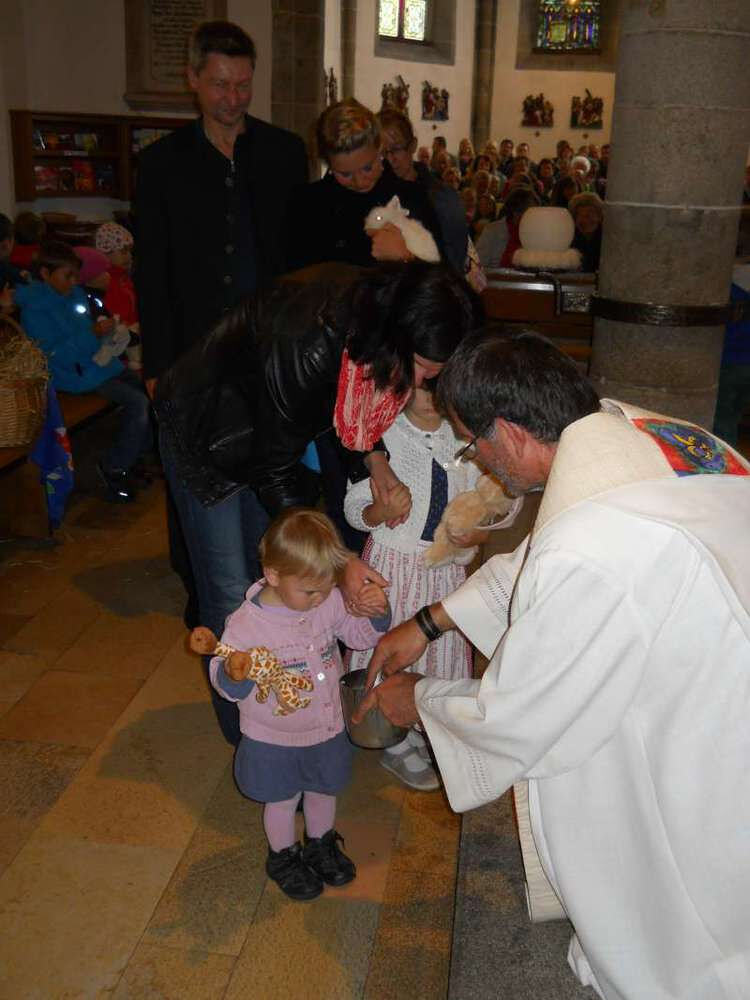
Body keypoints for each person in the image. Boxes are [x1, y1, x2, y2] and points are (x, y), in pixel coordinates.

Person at [356, 329, 750, 1000]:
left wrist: (416, 700)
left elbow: (519, 713)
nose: (477, 461)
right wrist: (429, 622)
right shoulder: (638, 433)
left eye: (471, 443)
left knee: (680, 865)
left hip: (711, 714)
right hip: (706, 639)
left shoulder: (592, 548)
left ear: (510, 434)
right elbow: (547, 552)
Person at [155, 260, 482, 746]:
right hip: (207, 431)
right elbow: (273, 468)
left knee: (277, 572)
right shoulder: (311, 340)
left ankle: (289, 705)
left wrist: (374, 460)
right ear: (399, 336)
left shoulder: (374, 326)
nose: (422, 384)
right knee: (230, 589)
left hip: (267, 429)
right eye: (423, 369)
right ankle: (254, 741)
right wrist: (340, 560)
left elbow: (347, 416)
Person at [135, 20, 308, 624]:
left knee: (267, 511)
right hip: (194, 363)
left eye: (242, 85)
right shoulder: (161, 164)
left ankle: (270, 629)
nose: (232, 98)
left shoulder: (284, 152)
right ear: (193, 80)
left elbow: (300, 259)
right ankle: (220, 619)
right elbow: (152, 271)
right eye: (219, 84)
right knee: (204, 505)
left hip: (269, 362)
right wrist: (157, 366)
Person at [209, 507, 391, 901]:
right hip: (274, 738)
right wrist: (234, 674)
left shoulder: (324, 601)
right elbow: (225, 683)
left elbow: (358, 637)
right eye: (309, 591)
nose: (319, 599)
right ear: (273, 575)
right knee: (282, 798)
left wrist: (377, 613)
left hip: (326, 728)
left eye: (326, 588)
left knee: (324, 789)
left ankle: (320, 844)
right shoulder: (246, 625)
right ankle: (283, 855)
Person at [344, 386, 491, 791]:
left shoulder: (463, 436)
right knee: (392, 647)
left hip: (443, 569)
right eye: (422, 384)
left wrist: (478, 532)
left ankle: (426, 721)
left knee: (438, 650)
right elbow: (354, 506)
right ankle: (391, 735)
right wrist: (380, 510)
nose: (430, 395)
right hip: (395, 566)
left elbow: (487, 500)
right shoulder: (384, 436)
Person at [16, 241, 151, 503]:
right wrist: (92, 334)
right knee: (138, 403)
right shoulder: (35, 310)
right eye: (67, 276)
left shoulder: (74, 295)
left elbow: (86, 332)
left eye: (75, 275)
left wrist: (108, 332)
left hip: (95, 365)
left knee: (146, 389)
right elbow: (53, 355)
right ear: (45, 274)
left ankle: (134, 456)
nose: (74, 281)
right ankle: (114, 467)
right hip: (71, 374)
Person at [287, 99, 442, 272]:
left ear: (379, 148)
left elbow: (444, 278)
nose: (360, 182)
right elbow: (293, 279)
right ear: (328, 163)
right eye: (345, 174)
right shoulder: (307, 204)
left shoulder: (412, 196)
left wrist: (406, 256)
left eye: (368, 168)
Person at [378, 107, 469, 271]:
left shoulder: (441, 196)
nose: (390, 159)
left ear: (413, 145)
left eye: (396, 149)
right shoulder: (373, 192)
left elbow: (454, 257)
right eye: (382, 153)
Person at [568, 191, 604, 271]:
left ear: (600, 216)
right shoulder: (569, 239)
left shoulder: (607, 239)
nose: (585, 220)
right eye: (580, 215)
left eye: (590, 214)